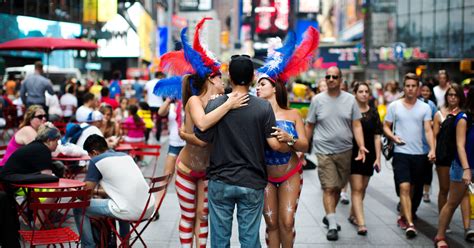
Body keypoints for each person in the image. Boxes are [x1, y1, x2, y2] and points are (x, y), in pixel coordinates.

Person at [157, 19, 250, 248]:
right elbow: (202, 123)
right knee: (188, 217)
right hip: (187, 169)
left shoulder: (223, 100)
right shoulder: (194, 101)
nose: (224, 81)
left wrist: (226, 103)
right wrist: (228, 105)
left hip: (210, 171)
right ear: (211, 78)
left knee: (203, 216)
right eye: (220, 77)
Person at [195, 54, 291, 247]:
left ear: (229, 77)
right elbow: (274, 145)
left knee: (220, 240)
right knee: (249, 239)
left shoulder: (215, 104)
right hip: (252, 180)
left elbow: (202, 138)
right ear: (253, 78)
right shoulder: (263, 107)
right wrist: (290, 141)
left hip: (220, 179)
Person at [255, 27, 317, 247]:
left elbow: (305, 144)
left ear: (275, 87)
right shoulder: (256, 114)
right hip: (265, 176)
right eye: (257, 85)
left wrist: (288, 139)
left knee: (287, 222)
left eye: (262, 84)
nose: (258, 88)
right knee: (271, 223)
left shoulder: (292, 114)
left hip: (290, 172)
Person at [305, 66, 367, 241]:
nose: (330, 79)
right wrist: (302, 149)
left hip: (345, 150)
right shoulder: (317, 100)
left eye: (334, 77)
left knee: (339, 187)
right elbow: (309, 125)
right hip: (323, 151)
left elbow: (356, 124)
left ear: (340, 80)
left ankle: (329, 214)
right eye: (328, 76)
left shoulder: (350, 100)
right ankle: (332, 224)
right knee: (329, 187)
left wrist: (361, 146)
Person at [73, 134, 154, 248]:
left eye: (90, 155)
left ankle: (89, 246)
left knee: (78, 207)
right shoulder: (125, 156)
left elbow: (86, 196)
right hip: (148, 207)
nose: (90, 158)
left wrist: (74, 192)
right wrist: (97, 192)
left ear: (94, 152)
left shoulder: (96, 161)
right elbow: (121, 190)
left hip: (130, 210)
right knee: (122, 201)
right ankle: (125, 244)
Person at [383, 73, 435, 239]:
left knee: (415, 190)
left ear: (418, 88)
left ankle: (408, 214)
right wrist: (393, 137)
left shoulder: (425, 108)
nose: (411, 89)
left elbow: (428, 130)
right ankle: (410, 224)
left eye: (414, 86)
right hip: (401, 154)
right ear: (403, 88)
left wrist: (432, 149)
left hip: (420, 154)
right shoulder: (395, 106)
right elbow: (385, 126)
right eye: (408, 86)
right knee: (404, 187)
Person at [434, 86, 474, 248]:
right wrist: (466, 170)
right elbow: (460, 146)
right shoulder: (463, 118)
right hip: (462, 166)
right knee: (452, 202)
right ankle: (440, 236)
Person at [346, 82, 383, 235]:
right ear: (355, 93)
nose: (363, 94)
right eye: (360, 91)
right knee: (357, 188)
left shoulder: (374, 113)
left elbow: (377, 137)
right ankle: (361, 223)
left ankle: (352, 214)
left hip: (369, 155)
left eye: (366, 91)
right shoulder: (349, 111)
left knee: (363, 188)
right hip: (353, 153)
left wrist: (378, 158)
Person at [419, 82, 437, 203]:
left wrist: (428, 123)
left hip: (428, 142)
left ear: (430, 93)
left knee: (428, 170)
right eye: (423, 90)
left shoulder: (432, 105)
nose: (425, 93)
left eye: (427, 91)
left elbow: (435, 121)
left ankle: (426, 192)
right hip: (417, 141)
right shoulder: (417, 103)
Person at [145, 71, 166, 142]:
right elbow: (164, 95)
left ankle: (146, 137)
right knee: (158, 122)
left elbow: (145, 94)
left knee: (148, 121)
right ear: (159, 75)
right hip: (159, 105)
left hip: (149, 105)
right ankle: (158, 138)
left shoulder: (148, 83)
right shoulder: (162, 83)